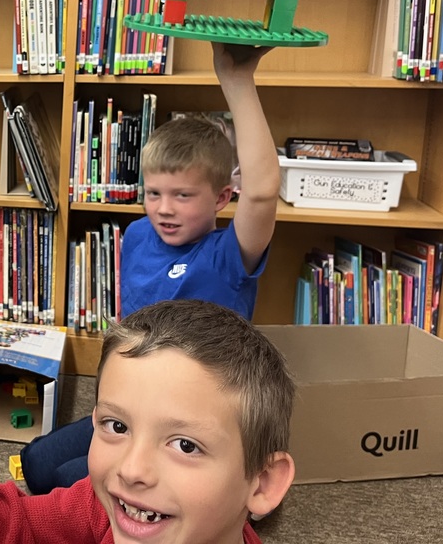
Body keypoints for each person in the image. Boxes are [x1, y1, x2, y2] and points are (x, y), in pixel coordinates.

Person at [22, 42, 279, 494]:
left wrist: (236, 81)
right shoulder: (139, 234)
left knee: (67, 483)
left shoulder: (228, 256)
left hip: (187, 419)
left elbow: (260, 194)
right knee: (36, 463)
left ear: (221, 199)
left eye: (183, 196)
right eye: (154, 193)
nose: (165, 209)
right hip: (136, 404)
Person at [0, 299, 295, 544]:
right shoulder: (100, 508)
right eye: (117, 427)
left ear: (262, 483)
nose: (132, 471)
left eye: (184, 445)